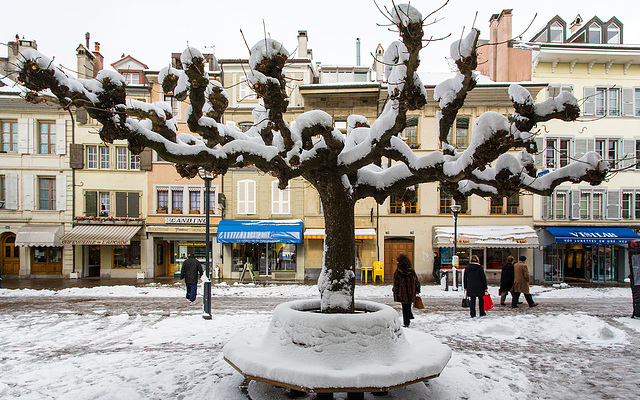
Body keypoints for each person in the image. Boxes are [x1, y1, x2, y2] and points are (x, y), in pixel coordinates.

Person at [392, 253, 420, 328]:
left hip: (403, 292)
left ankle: (406, 322)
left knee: (404, 307)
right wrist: (417, 289)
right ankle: (409, 316)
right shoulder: (411, 271)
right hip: (411, 291)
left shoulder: (398, 271)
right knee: (408, 305)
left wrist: (395, 290)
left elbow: (396, 282)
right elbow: (416, 281)